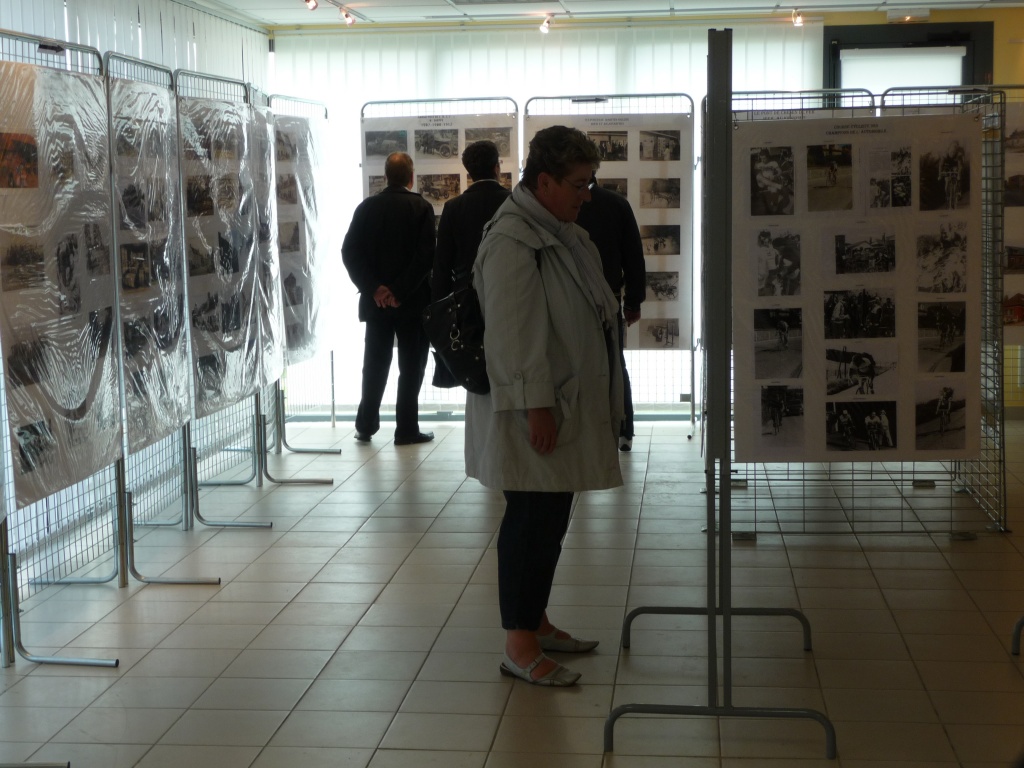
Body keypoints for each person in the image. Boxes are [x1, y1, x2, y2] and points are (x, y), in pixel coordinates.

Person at [465, 125, 623, 687]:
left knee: (550, 519)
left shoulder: (559, 231)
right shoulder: (514, 241)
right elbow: (513, 336)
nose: (587, 195)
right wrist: (535, 408)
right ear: (545, 181)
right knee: (530, 523)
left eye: (590, 183)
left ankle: (536, 621)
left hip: (559, 404)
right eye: (578, 184)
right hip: (534, 412)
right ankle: (519, 643)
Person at [342, 151, 435, 446]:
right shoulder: (421, 207)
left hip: (377, 305)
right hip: (412, 303)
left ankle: (365, 425)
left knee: (374, 365)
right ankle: (406, 429)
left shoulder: (366, 207)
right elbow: (425, 257)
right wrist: (400, 291)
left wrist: (375, 289)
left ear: (385, 177)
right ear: (411, 177)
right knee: (411, 368)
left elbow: (350, 252)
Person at [576, 175, 646, 452]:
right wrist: (633, 302)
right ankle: (623, 428)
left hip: (574, 297)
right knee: (615, 362)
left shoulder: (558, 204)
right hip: (609, 298)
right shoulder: (616, 204)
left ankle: (585, 429)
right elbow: (633, 256)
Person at [430, 140, 511, 302]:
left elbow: (443, 263)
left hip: (466, 298)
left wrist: (439, 305)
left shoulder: (453, 207)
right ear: (496, 167)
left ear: (469, 171)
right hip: (508, 290)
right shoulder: (512, 202)